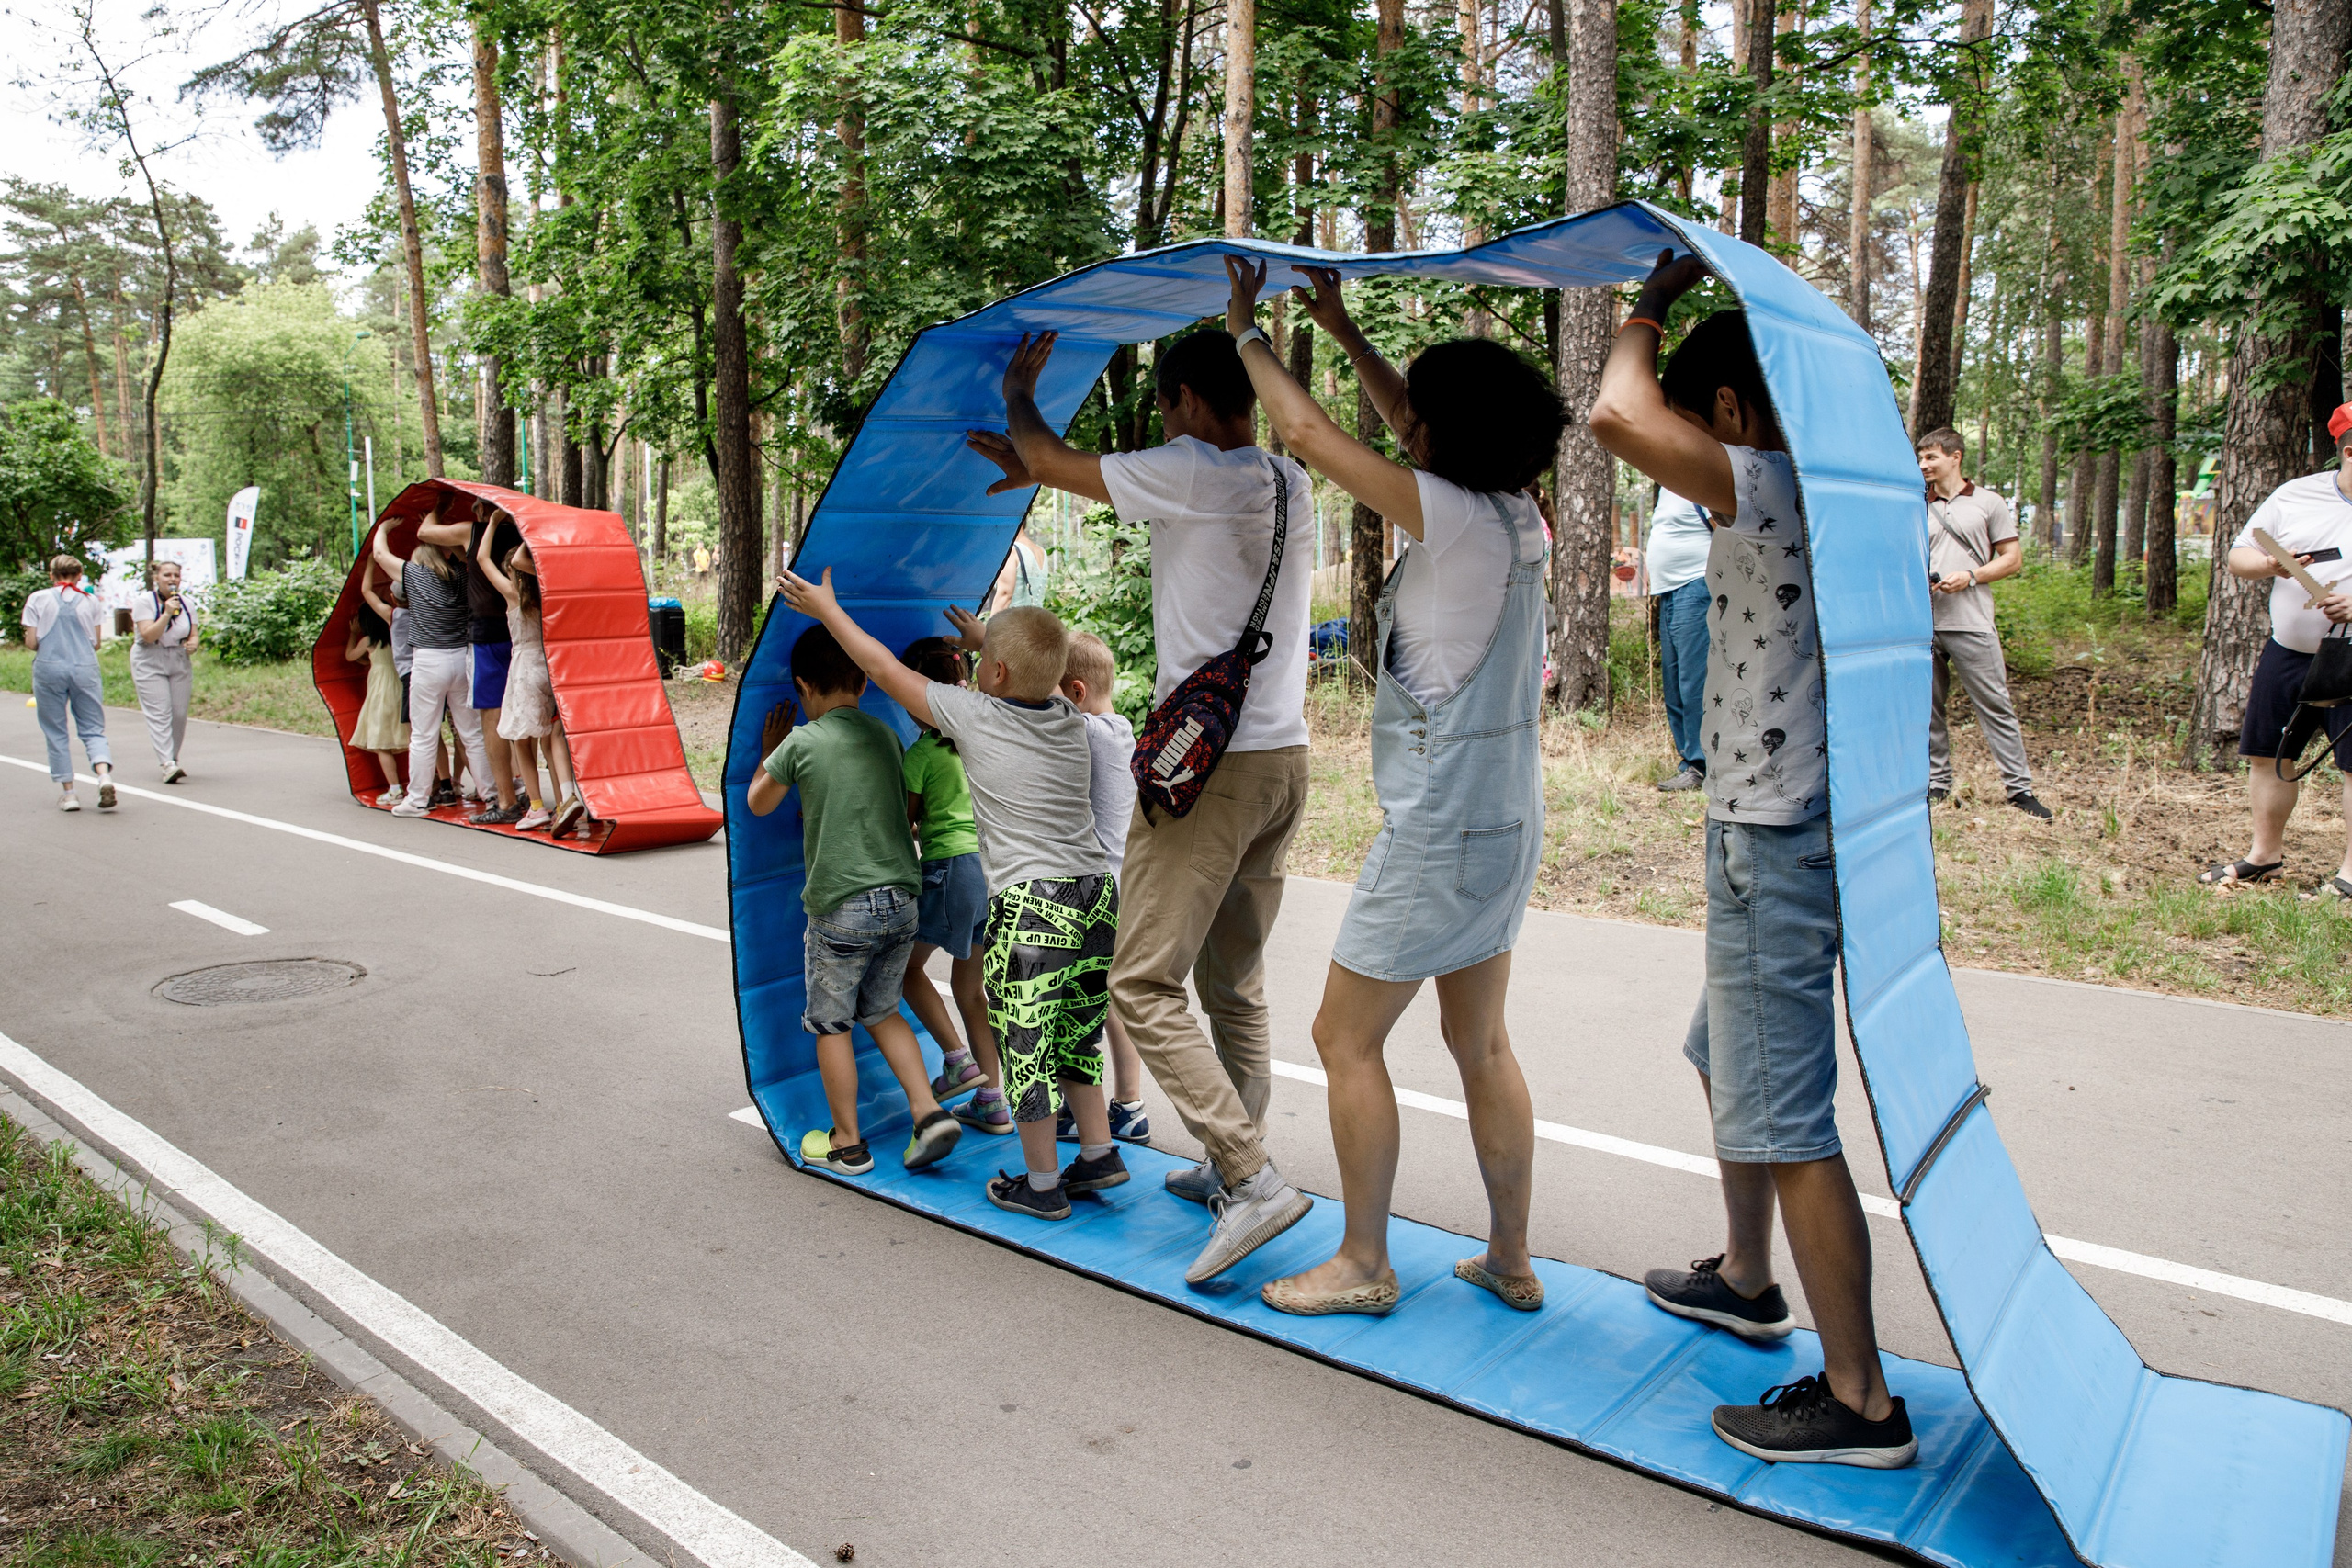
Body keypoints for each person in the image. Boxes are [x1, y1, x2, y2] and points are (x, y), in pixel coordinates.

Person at [1589, 252, 1916, 1469]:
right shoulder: (1829, 483)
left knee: (1787, 1116)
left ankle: (1861, 1396)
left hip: (1781, 836)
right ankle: (1741, 1275)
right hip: (1762, 818)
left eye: (1697, 412)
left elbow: (1615, 409)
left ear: (1727, 411)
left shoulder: (1771, 480)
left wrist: (1648, 301)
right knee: (1726, 1053)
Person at [1221, 259, 1554, 1317]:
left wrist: (1247, 336)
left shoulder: (1449, 519)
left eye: (1419, 413)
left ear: (1442, 437)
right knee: (1481, 1041)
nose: (1404, 421)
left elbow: (1315, 440)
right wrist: (1337, 322)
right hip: (1505, 819)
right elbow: (1410, 419)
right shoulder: (1518, 518)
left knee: (1341, 1035)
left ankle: (1363, 1262)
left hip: (1441, 825)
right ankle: (1509, 1258)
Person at [966, 327, 1316, 1284]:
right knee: (1232, 983)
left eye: (1165, 409)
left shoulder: (1194, 467)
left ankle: (1249, 1178)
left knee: (1139, 982)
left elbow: (1045, 453)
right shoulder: (1288, 481)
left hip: (1208, 771)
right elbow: (1067, 478)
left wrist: (1019, 398)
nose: (1165, 426)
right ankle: (1223, 1161)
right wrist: (1041, 467)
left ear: (1187, 402)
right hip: (1283, 756)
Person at [779, 572, 1126, 1222]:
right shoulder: (1065, 713)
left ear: (992, 672)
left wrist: (829, 609)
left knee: (1026, 1046)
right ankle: (1099, 1150)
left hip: (1034, 904)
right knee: (1078, 1034)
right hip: (1096, 894)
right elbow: (1037, 671)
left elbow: (881, 667)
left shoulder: (976, 715)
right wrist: (989, 642)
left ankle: (1043, 1183)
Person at [745, 623, 961, 1177]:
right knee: (883, 1010)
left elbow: (759, 804)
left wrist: (771, 752)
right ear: (863, 685)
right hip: (903, 902)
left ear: (803, 687)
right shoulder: (885, 737)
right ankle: (927, 1110)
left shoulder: (802, 742)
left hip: (844, 908)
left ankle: (847, 1141)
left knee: (831, 1023)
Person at [2201, 402, 2352, 896]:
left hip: (2351, 657)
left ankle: (2350, 876)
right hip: (2287, 651)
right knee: (2269, 754)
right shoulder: (2295, 496)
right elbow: (2238, 556)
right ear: (2348, 451)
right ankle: (2264, 857)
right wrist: (2271, 565)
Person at [897, 636, 1012, 1136]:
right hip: (994, 870)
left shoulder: (921, 754)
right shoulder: (985, 740)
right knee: (971, 989)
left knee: (905, 970)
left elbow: (908, 823)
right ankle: (992, 1099)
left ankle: (957, 1059)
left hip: (952, 871)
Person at [1919, 428, 2049, 818]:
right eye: (1921, 459)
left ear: (1955, 456)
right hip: (1924, 624)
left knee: (1995, 705)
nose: (1924, 465)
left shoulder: (1988, 503)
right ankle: (1938, 783)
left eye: (1931, 458)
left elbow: (2012, 558)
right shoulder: (1914, 505)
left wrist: (1971, 576)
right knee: (1929, 709)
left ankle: (2019, 789)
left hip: (1971, 622)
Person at [1053, 630, 1149, 1145]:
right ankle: (1129, 1104)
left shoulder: (1086, 731)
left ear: (1075, 692)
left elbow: (1034, 713)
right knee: (1108, 999)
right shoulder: (1120, 728)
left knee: (1078, 1003)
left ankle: (1080, 1106)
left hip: (1096, 892)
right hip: (1122, 883)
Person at [375, 518, 495, 820]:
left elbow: (379, 555)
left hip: (429, 662)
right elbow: (460, 551)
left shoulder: (413, 575)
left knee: (424, 734)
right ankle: (492, 794)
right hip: (461, 661)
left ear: (418, 561)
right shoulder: (459, 575)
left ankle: (417, 799)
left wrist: (383, 530)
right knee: (472, 734)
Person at [416, 503, 525, 825]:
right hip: (521, 632)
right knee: (526, 715)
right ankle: (533, 796)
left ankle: (505, 800)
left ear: (481, 508)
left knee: (491, 717)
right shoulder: (524, 534)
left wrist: (439, 505)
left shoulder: (471, 531)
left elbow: (424, 531)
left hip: (486, 637)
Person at [477, 528, 588, 838]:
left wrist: (495, 521)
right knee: (552, 736)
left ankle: (537, 806)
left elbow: (481, 558)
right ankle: (566, 800)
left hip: (525, 668)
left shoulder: (514, 595)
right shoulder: (548, 594)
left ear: (512, 569)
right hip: (550, 667)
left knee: (520, 738)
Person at [21, 555, 115, 813]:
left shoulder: (38, 599)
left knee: (56, 730)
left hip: (49, 667)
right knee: (93, 727)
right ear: (79, 575)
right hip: (84, 667)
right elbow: (95, 643)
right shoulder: (90, 600)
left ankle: (70, 793)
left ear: (52, 575)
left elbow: (31, 642)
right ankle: (104, 775)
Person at [1647, 487, 1713, 792]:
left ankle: (1702, 764)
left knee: (1693, 680)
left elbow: (1724, 529)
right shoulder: (1666, 487)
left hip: (1696, 585)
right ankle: (1687, 759)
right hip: (1669, 592)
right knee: (1672, 680)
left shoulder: (1697, 479)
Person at [130, 560, 199, 784]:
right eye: (167, 575)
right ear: (156, 578)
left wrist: (193, 643)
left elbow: (194, 633)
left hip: (178, 658)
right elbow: (149, 635)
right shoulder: (144, 602)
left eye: (176, 575)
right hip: (150, 657)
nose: (172, 579)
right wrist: (167, 613)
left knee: (178, 713)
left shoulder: (187, 603)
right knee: (160, 712)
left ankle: (173, 758)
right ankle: (167, 763)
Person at [345, 601, 410, 804]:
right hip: (400, 687)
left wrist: (352, 633)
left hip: (381, 692)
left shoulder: (368, 640)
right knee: (411, 738)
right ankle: (430, 784)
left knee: (380, 742)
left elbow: (349, 657)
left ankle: (394, 789)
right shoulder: (394, 635)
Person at [988, 519, 1049, 612]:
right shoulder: (1041, 552)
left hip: (1013, 623)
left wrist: (990, 626)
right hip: (1036, 623)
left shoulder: (1012, 551)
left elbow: (1005, 595)